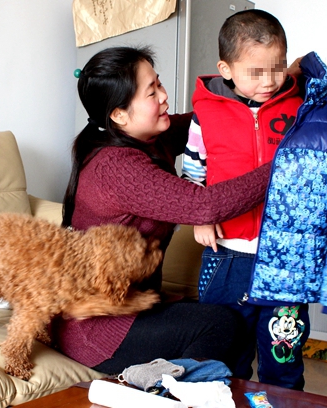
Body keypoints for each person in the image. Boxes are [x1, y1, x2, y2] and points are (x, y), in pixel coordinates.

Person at [52, 45, 274, 375]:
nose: (164, 96)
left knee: (226, 318)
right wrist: (284, 163)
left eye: (159, 83)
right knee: (223, 324)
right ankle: (166, 390)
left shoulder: (147, 137)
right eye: (151, 92)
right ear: (119, 114)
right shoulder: (116, 167)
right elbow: (206, 205)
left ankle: (194, 387)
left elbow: (208, 118)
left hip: (135, 305)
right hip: (98, 329)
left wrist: (256, 79)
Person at [181, 10, 309, 390]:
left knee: (283, 359)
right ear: (226, 69)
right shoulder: (206, 115)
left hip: (285, 257)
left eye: (278, 67)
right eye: (256, 72)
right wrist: (201, 216)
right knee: (225, 356)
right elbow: (193, 174)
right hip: (227, 256)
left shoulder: (299, 107)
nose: (269, 81)